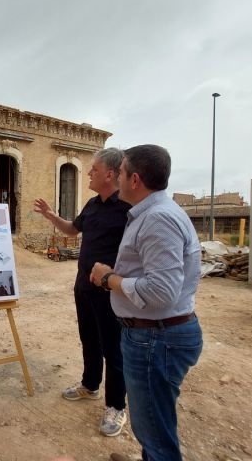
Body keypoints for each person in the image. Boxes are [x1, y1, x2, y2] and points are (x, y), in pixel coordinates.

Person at [90, 145, 203, 461]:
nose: (118, 178)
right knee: (153, 421)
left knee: (154, 430)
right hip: (153, 334)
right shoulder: (151, 214)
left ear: (134, 179)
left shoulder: (158, 219)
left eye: (122, 172)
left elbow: (162, 291)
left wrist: (108, 278)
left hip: (156, 338)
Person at [34, 148, 130, 437]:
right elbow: (73, 230)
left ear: (110, 174)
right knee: (88, 338)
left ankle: (116, 406)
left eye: (94, 169)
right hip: (83, 285)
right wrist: (52, 216)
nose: (89, 173)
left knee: (113, 348)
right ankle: (90, 385)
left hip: (109, 290)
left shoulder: (128, 208)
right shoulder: (91, 204)